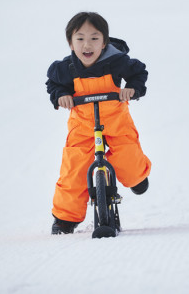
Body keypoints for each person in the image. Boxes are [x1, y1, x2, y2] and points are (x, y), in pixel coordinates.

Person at [46, 12, 151, 234]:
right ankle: (65, 218)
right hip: (82, 124)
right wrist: (60, 95)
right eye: (80, 38)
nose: (87, 45)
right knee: (74, 170)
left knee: (127, 154)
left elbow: (139, 73)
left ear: (104, 42)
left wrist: (132, 88)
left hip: (116, 119)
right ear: (71, 43)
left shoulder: (116, 61)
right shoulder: (65, 68)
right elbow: (54, 84)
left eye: (94, 38)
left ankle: (137, 177)